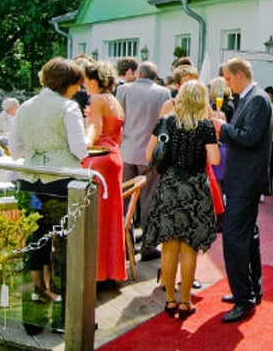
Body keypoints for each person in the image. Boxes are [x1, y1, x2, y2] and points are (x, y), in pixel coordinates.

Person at [10, 57, 88, 334]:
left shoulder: (25, 107)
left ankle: (32, 318)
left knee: (34, 243)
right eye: (77, 84)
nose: (78, 89)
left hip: (30, 180)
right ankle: (63, 318)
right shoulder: (68, 107)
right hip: (61, 181)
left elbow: (15, 149)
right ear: (68, 83)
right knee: (65, 248)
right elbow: (80, 149)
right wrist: (88, 137)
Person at [144, 81, 220, 319]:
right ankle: (185, 301)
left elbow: (149, 155)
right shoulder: (205, 126)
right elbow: (215, 159)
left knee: (169, 246)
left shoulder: (166, 122)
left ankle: (169, 300)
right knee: (189, 246)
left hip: (169, 186)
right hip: (195, 188)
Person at [211, 58, 272, 323]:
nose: (226, 84)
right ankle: (250, 291)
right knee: (248, 236)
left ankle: (243, 297)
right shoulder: (250, 98)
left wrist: (223, 129)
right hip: (243, 178)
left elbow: (249, 137)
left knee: (234, 237)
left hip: (245, 180)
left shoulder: (257, 99)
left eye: (227, 78)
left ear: (239, 74)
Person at [116, 61, 172, 261]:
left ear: (139, 73)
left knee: (124, 200)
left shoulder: (123, 90)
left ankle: (124, 244)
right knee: (150, 200)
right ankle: (148, 246)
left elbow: (119, 119)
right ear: (155, 76)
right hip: (151, 153)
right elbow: (166, 122)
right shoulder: (163, 93)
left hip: (127, 151)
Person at [82, 61, 126, 284]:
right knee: (111, 215)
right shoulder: (113, 100)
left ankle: (97, 273)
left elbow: (95, 130)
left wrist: (82, 145)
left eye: (85, 81)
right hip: (114, 157)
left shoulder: (97, 100)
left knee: (96, 216)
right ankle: (111, 271)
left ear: (92, 81)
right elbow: (118, 135)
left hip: (99, 158)